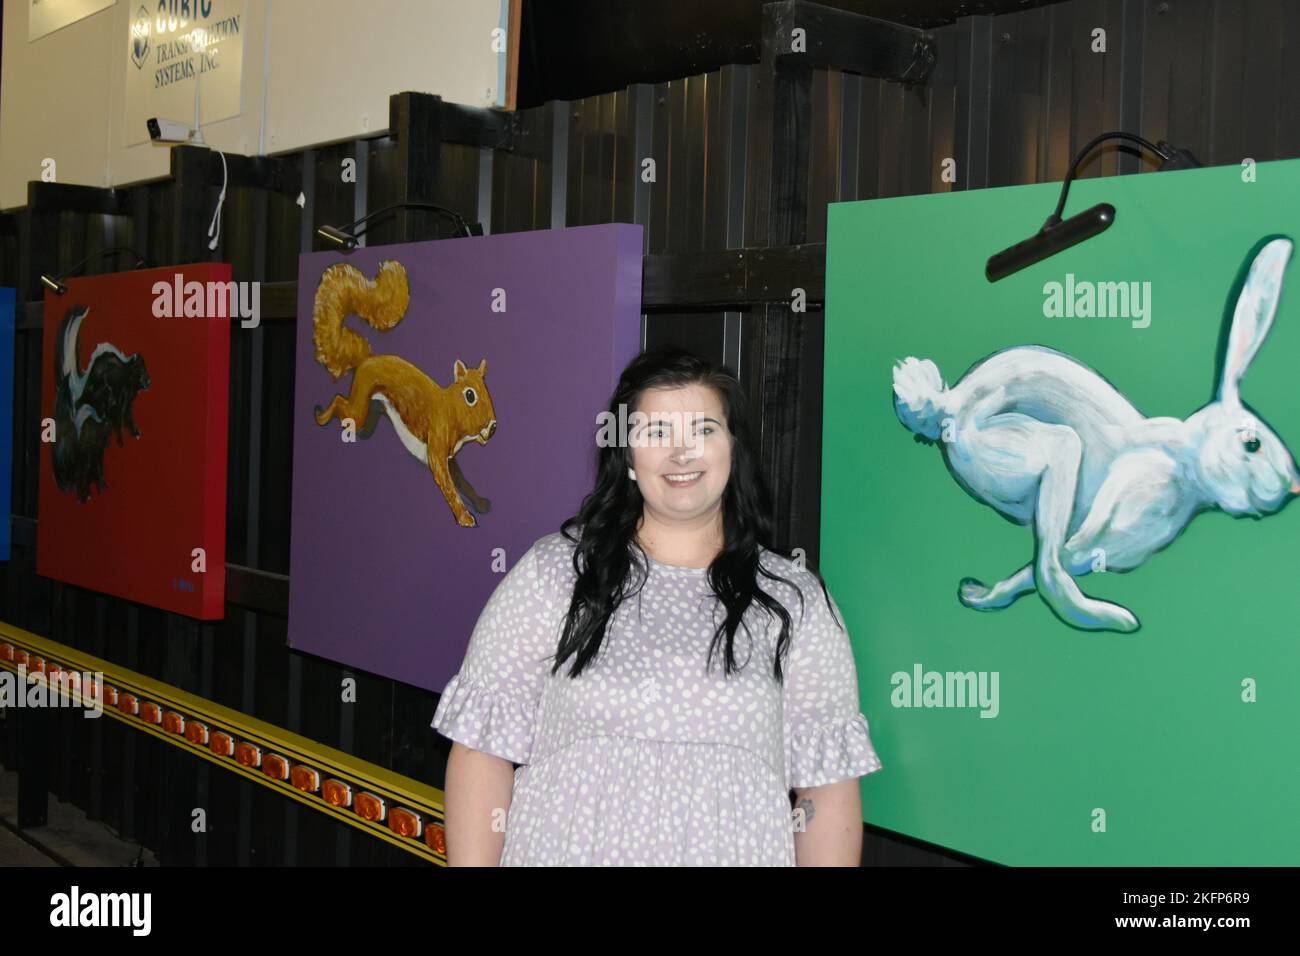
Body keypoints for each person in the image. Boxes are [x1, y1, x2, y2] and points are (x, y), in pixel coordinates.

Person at [431, 345, 882, 865]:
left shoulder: (794, 602)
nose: (681, 453)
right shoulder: (554, 575)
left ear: (734, 448)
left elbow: (825, 794)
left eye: (705, 430)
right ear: (626, 455)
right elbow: (480, 752)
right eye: (657, 433)